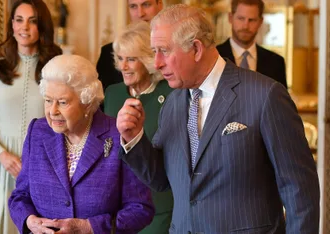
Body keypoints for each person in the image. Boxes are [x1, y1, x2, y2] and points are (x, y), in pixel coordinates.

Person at [117, 4, 319, 233]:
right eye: (154, 52)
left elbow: (300, 191)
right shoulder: (172, 103)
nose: (157, 63)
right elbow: (162, 180)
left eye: (164, 50)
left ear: (196, 48)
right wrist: (133, 138)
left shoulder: (265, 95)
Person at [8, 54, 155, 234]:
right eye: (48, 101)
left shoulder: (117, 135)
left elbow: (141, 208)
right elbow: (20, 196)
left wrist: (88, 227)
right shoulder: (37, 132)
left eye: (62, 102)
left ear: (87, 102)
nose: (52, 111)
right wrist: (30, 221)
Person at [0, 0, 62, 233]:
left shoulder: (56, 69)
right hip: (5, 166)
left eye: (32, 21)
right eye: (19, 20)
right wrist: (2, 155)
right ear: (11, 25)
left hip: (45, 166)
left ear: (42, 26)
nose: (24, 27)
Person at [104, 21, 173, 234]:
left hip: (159, 206)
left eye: (131, 59)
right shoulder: (112, 93)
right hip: (118, 207)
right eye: (120, 59)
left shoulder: (171, 95)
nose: (123, 66)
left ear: (148, 60)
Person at [216, 0, 287, 88]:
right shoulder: (215, 57)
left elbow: (280, 100)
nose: (245, 26)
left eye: (252, 20)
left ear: (260, 22)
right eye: (241, 18)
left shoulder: (276, 62)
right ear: (230, 18)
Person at [96, 0, 163, 91]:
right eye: (133, 6)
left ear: (159, 4)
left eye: (146, 5)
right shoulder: (108, 53)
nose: (140, 14)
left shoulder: (173, 50)